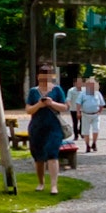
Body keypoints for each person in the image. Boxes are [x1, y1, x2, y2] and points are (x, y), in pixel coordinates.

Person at [25, 64, 67, 195]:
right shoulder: (33, 92)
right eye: (42, 76)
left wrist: (51, 103)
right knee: (38, 157)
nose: (44, 79)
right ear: (38, 77)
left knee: (52, 154)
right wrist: (39, 104)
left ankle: (54, 186)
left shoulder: (57, 90)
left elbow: (64, 107)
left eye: (47, 76)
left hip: (54, 127)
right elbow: (28, 110)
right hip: (37, 127)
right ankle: (41, 183)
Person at [78, 77, 106, 153]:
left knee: (96, 129)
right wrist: (78, 112)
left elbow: (102, 103)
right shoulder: (82, 93)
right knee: (86, 131)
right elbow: (78, 103)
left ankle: (94, 143)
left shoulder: (98, 93)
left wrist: (99, 112)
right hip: (85, 114)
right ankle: (87, 145)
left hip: (95, 115)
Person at [65, 77, 84, 141]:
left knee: (83, 122)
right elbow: (68, 99)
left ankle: (81, 132)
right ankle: (76, 135)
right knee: (75, 122)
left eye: (81, 82)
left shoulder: (84, 90)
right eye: (78, 82)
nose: (79, 84)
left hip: (83, 109)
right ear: (75, 83)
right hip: (73, 109)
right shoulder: (71, 90)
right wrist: (69, 105)